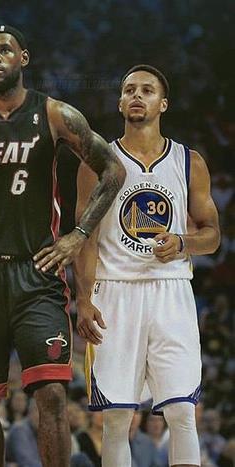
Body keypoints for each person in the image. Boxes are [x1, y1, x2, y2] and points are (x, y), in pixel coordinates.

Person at [0, 25, 125, 466]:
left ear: (24, 58)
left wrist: (78, 235)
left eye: (5, 50)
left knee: (53, 395)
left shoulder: (55, 114)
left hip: (36, 273)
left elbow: (113, 170)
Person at [74, 64, 221, 466]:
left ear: (163, 104)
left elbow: (213, 235)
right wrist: (82, 300)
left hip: (171, 291)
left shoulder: (189, 162)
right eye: (129, 90)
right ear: (120, 103)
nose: (137, 96)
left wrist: (183, 243)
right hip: (114, 291)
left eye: (147, 90)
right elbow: (84, 239)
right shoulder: (97, 162)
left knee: (182, 413)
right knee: (116, 418)